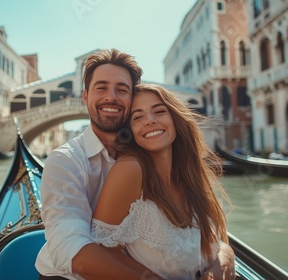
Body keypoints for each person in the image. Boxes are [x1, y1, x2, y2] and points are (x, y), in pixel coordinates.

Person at [36, 48, 234, 279]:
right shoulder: (66, 160)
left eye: (122, 89)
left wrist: (226, 256)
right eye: (101, 88)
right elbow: (70, 248)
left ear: (131, 98)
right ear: (85, 97)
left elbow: (212, 238)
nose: (111, 96)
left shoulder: (158, 161)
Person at [90, 84, 235, 279]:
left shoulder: (189, 178)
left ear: (175, 119)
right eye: (138, 117)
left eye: (159, 111)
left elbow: (215, 241)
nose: (150, 120)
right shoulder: (130, 170)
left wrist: (225, 257)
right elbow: (101, 252)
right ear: (130, 131)